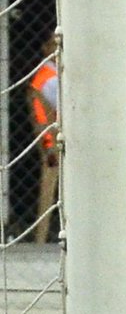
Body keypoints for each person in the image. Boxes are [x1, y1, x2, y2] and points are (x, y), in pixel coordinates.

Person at [26, 35, 57, 244]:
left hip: (53, 141)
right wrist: (48, 146)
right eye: (53, 44)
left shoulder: (48, 74)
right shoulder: (49, 78)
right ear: (45, 48)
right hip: (55, 143)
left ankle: (41, 237)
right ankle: (41, 237)